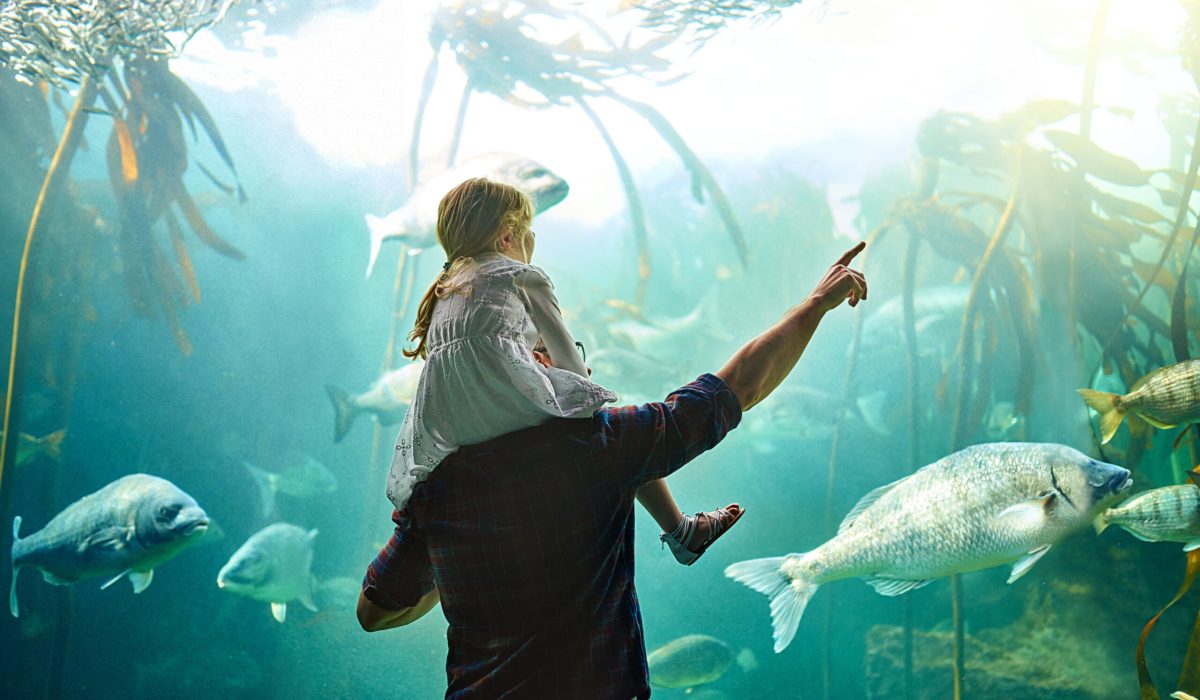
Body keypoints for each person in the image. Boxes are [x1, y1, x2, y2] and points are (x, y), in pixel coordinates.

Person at [357, 222, 869, 699]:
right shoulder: (600, 447)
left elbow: (374, 612)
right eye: (558, 350)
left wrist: (452, 572)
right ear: (530, 364)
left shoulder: (438, 488)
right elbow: (737, 387)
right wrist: (815, 305)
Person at [384, 177, 743, 566]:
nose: (531, 239)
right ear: (508, 236)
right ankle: (681, 531)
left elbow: (481, 360)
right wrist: (571, 375)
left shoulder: (446, 291)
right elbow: (572, 366)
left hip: (456, 429)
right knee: (612, 430)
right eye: (527, 231)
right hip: (507, 416)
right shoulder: (522, 275)